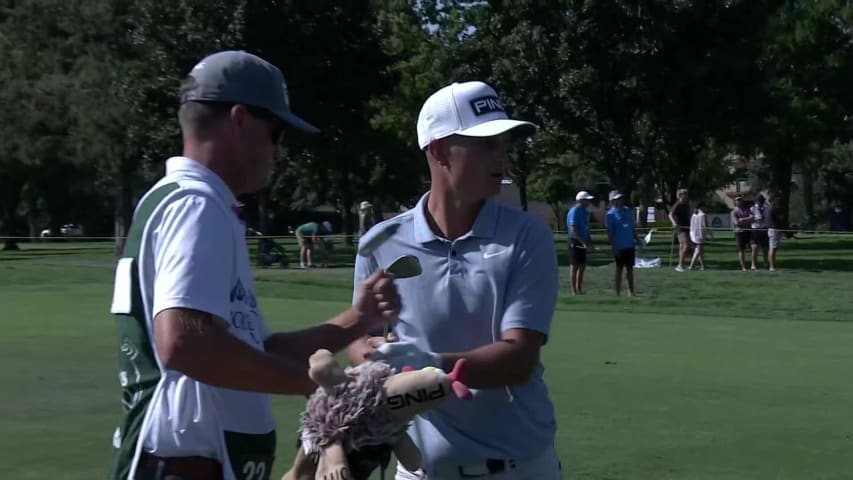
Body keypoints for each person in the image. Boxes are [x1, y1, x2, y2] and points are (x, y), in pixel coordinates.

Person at [106, 50, 401, 480]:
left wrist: (359, 320)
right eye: (276, 131)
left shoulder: (186, 201)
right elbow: (185, 343)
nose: (279, 151)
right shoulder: (196, 205)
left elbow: (255, 352)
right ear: (240, 121)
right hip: (186, 467)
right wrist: (320, 386)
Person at [346, 81, 561, 480]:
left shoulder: (527, 237)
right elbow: (360, 340)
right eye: (486, 144)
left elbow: (519, 358)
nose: (502, 156)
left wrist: (428, 364)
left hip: (520, 467)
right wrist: (375, 355)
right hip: (420, 470)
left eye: (504, 143)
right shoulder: (381, 243)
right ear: (440, 150)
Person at [605, 190, 639, 296]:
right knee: (619, 270)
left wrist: (637, 239)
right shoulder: (610, 215)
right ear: (612, 201)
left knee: (630, 270)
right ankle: (617, 293)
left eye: (621, 198)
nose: (620, 201)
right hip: (619, 247)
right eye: (617, 199)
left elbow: (631, 227)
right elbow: (610, 233)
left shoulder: (627, 210)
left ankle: (631, 292)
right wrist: (614, 248)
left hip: (629, 245)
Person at [567, 190, 595, 295]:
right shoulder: (575, 211)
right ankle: (573, 290)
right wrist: (583, 242)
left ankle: (579, 289)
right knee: (574, 266)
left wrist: (589, 242)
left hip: (583, 240)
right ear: (581, 200)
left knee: (582, 265)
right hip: (574, 240)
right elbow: (573, 229)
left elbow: (586, 229)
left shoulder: (585, 212)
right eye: (587, 200)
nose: (588, 202)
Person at [668, 188, 691, 272]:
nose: (686, 196)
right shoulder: (677, 204)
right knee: (686, 245)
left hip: (686, 226)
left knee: (682, 246)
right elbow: (670, 214)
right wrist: (674, 223)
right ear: (681, 195)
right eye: (685, 194)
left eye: (687, 194)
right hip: (680, 228)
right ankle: (680, 265)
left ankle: (681, 264)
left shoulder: (686, 204)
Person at [730, 195, 753, 271]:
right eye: (738, 200)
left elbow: (752, 217)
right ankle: (743, 267)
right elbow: (736, 223)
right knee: (741, 250)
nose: (740, 201)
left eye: (740, 200)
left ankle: (753, 265)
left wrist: (743, 219)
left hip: (748, 231)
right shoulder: (733, 212)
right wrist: (747, 220)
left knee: (753, 248)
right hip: (739, 232)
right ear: (735, 202)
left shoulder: (747, 209)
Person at [688, 202, 713, 270]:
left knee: (700, 251)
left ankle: (703, 266)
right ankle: (691, 265)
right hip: (699, 234)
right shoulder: (703, 215)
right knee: (698, 250)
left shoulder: (693, 215)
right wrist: (710, 233)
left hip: (692, 233)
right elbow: (705, 225)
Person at [750, 194, 770, 270]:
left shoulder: (766, 208)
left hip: (764, 229)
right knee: (755, 248)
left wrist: (764, 218)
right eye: (759, 201)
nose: (760, 203)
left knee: (765, 248)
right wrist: (756, 219)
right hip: (755, 229)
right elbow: (750, 219)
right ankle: (753, 264)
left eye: (761, 201)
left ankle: (766, 263)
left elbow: (768, 217)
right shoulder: (752, 209)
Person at [767, 194, 782, 271]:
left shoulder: (772, 208)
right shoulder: (772, 209)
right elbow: (777, 219)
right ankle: (771, 266)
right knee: (772, 248)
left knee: (774, 248)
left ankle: (773, 265)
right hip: (774, 230)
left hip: (775, 229)